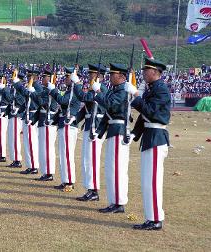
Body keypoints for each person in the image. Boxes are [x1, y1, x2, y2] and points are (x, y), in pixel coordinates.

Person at [126, 58, 171, 231]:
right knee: (147, 181)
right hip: (149, 136)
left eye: (147, 70)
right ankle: (151, 217)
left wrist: (137, 97)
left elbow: (151, 113)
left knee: (152, 181)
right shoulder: (152, 89)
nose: (144, 73)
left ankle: (155, 219)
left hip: (156, 137)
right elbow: (143, 117)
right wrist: (134, 134)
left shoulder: (161, 90)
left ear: (156, 73)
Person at [93, 63, 130, 213]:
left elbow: (111, 105)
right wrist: (99, 132)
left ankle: (118, 202)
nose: (110, 77)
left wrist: (98, 92)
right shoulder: (116, 90)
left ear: (121, 76)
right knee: (111, 168)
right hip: (112, 129)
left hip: (118, 130)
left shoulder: (122, 91)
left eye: (113, 74)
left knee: (116, 168)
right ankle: (114, 201)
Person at [74, 64, 108, 201]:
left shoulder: (101, 89)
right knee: (87, 159)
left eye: (92, 75)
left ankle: (94, 190)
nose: (89, 77)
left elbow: (84, 98)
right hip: (89, 126)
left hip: (96, 127)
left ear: (99, 76)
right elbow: (86, 109)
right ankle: (90, 188)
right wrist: (75, 119)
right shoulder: (94, 89)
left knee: (92, 159)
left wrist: (76, 83)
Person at [47, 67, 81, 192]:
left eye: (67, 77)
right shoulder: (69, 91)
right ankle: (65, 179)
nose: (65, 79)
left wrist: (53, 90)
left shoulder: (74, 92)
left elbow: (62, 101)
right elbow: (62, 108)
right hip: (63, 124)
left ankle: (70, 182)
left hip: (69, 125)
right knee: (62, 154)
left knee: (67, 154)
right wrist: (53, 120)